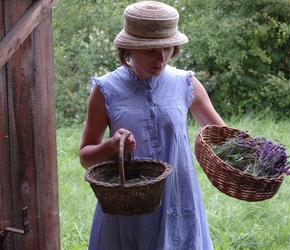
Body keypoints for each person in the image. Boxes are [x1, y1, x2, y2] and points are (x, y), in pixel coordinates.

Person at [79, 1, 226, 249]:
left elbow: (223, 138)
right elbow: (86, 157)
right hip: (127, 203)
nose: (161, 58)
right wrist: (113, 146)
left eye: (167, 48)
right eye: (150, 50)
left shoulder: (186, 84)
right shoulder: (105, 90)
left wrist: (253, 157)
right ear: (129, 48)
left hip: (178, 198)